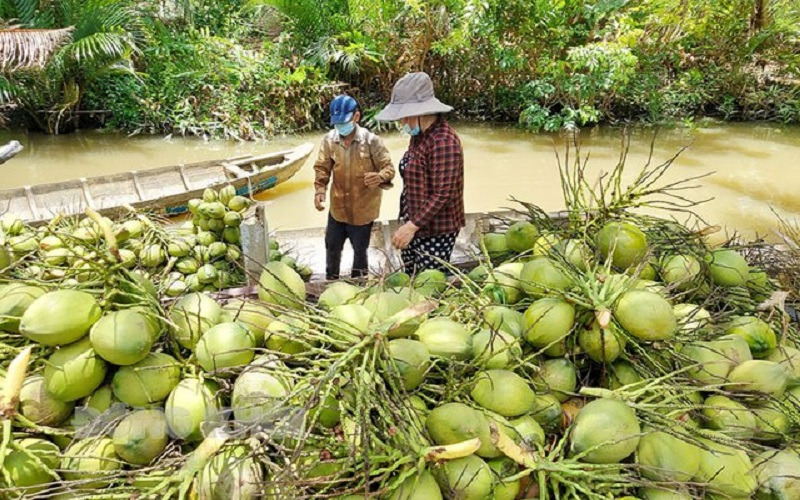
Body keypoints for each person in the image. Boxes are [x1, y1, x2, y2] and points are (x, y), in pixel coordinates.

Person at [375, 72, 465, 275]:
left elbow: (443, 194)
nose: (401, 123)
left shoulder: (443, 141)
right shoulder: (420, 136)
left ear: (421, 112)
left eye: (404, 117)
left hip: (435, 230)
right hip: (414, 222)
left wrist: (411, 226)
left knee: (428, 283)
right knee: (411, 278)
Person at [314, 95, 395, 280]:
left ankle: (358, 284)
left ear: (356, 117)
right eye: (337, 124)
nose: (341, 128)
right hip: (338, 208)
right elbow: (322, 167)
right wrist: (320, 190)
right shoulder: (329, 141)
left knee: (360, 251)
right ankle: (331, 280)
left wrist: (380, 177)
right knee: (332, 247)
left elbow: (389, 169)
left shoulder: (372, 141)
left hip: (363, 209)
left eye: (344, 122)